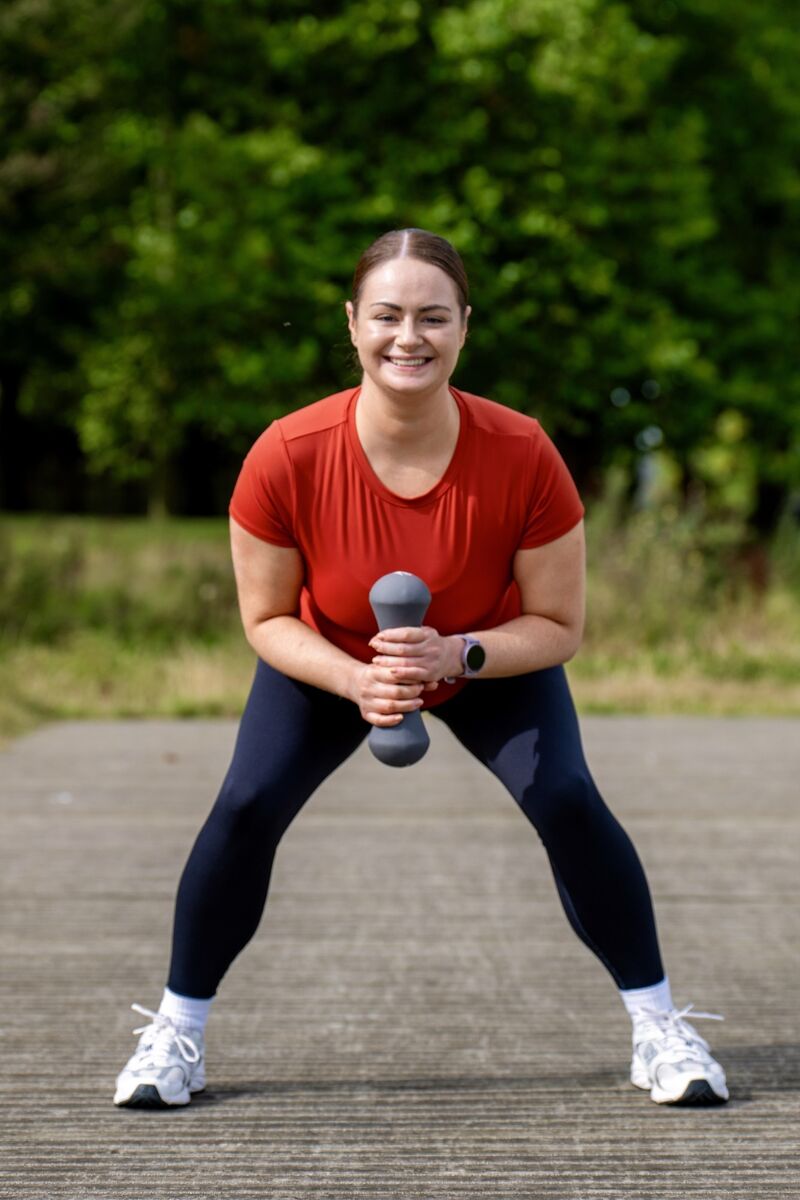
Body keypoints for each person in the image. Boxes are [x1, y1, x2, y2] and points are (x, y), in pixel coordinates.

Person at [114, 228, 728, 1110]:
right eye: (389, 315)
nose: (411, 337)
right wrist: (355, 680)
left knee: (565, 795)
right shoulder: (287, 454)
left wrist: (459, 655)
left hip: (484, 656)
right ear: (353, 323)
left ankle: (658, 1028)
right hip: (332, 660)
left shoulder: (523, 454)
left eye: (433, 317)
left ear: (465, 327)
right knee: (246, 804)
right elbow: (267, 619)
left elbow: (558, 625)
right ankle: (176, 1034)